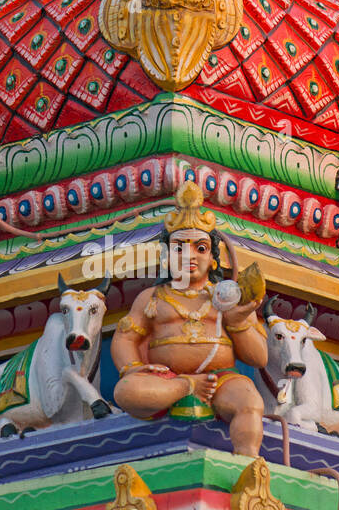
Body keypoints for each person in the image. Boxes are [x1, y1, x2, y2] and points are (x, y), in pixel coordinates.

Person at [111, 181, 268, 456]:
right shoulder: (152, 297)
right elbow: (126, 337)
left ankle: (248, 466)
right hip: (168, 381)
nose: (190, 256)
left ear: (214, 259)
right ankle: (187, 386)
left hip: (222, 380)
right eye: (179, 248)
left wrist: (238, 321)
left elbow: (259, 358)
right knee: (126, 391)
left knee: (249, 402)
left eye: (201, 248)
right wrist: (133, 367)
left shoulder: (228, 299)